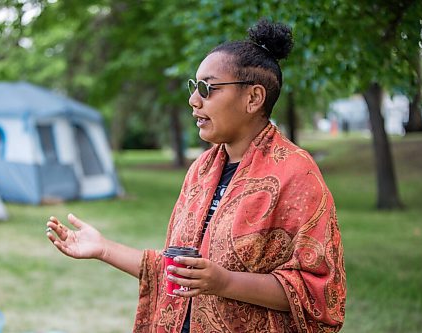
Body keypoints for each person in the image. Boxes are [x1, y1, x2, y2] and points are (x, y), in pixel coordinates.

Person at [46, 18, 346, 333]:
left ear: (253, 98)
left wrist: (226, 282)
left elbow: (318, 291)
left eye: (207, 88)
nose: (194, 100)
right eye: (193, 87)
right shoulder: (201, 170)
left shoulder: (296, 173)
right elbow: (177, 270)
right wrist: (103, 249)